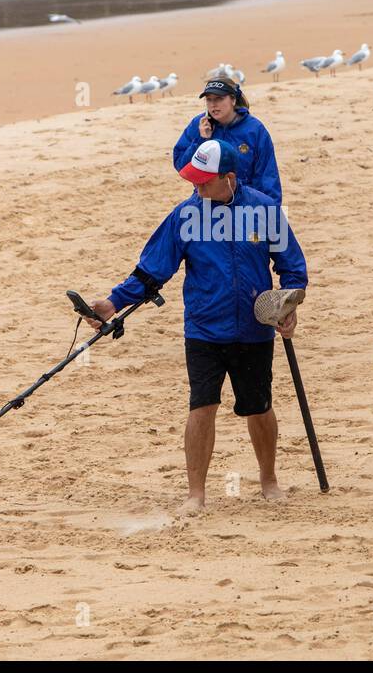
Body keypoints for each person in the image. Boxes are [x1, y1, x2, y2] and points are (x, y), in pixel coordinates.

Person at [83, 138, 307, 514]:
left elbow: (292, 266)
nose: (197, 187)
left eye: (205, 181)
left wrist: (289, 303)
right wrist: (111, 304)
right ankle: (196, 494)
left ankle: (268, 480)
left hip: (254, 329)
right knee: (202, 406)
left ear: (230, 178)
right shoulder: (185, 216)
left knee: (258, 406)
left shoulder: (266, 211)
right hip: (203, 329)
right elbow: (152, 271)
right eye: (194, 180)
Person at [172, 75, 282, 204]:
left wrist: (271, 211)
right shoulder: (199, 124)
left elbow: (267, 174)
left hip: (244, 201)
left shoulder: (254, 129)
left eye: (219, 98)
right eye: (209, 99)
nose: (213, 105)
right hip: (205, 200)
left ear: (233, 100)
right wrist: (200, 140)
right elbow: (181, 166)